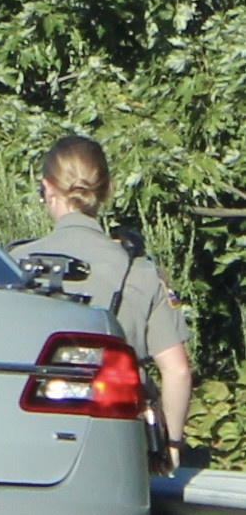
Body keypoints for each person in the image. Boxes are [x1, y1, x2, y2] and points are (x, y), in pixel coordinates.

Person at [11, 135, 193, 469]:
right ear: (106, 189)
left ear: (46, 187)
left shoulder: (12, 263)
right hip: (115, 438)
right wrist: (171, 445)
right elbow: (177, 371)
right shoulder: (138, 270)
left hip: (27, 434)